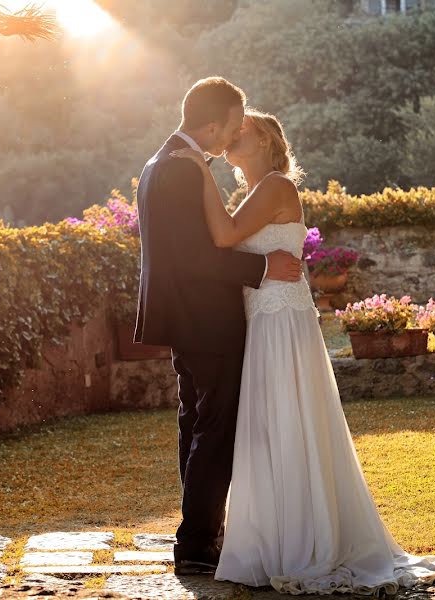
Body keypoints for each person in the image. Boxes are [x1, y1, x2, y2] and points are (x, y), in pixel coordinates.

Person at [170, 108, 435, 595]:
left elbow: (226, 237)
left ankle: (301, 540)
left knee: (287, 422)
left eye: (242, 131)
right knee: (265, 427)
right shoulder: (254, 192)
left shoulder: (277, 187)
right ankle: (269, 537)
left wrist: (198, 168)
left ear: (268, 142)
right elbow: (231, 244)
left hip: (280, 323)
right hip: (263, 319)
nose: (232, 136)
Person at [133, 77, 303, 575]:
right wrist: (263, 268)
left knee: (195, 422)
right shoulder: (183, 169)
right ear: (210, 124)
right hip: (206, 316)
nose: (233, 134)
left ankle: (198, 533)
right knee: (215, 427)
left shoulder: (159, 162)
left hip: (184, 317)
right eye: (231, 125)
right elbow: (195, 257)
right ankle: (198, 542)